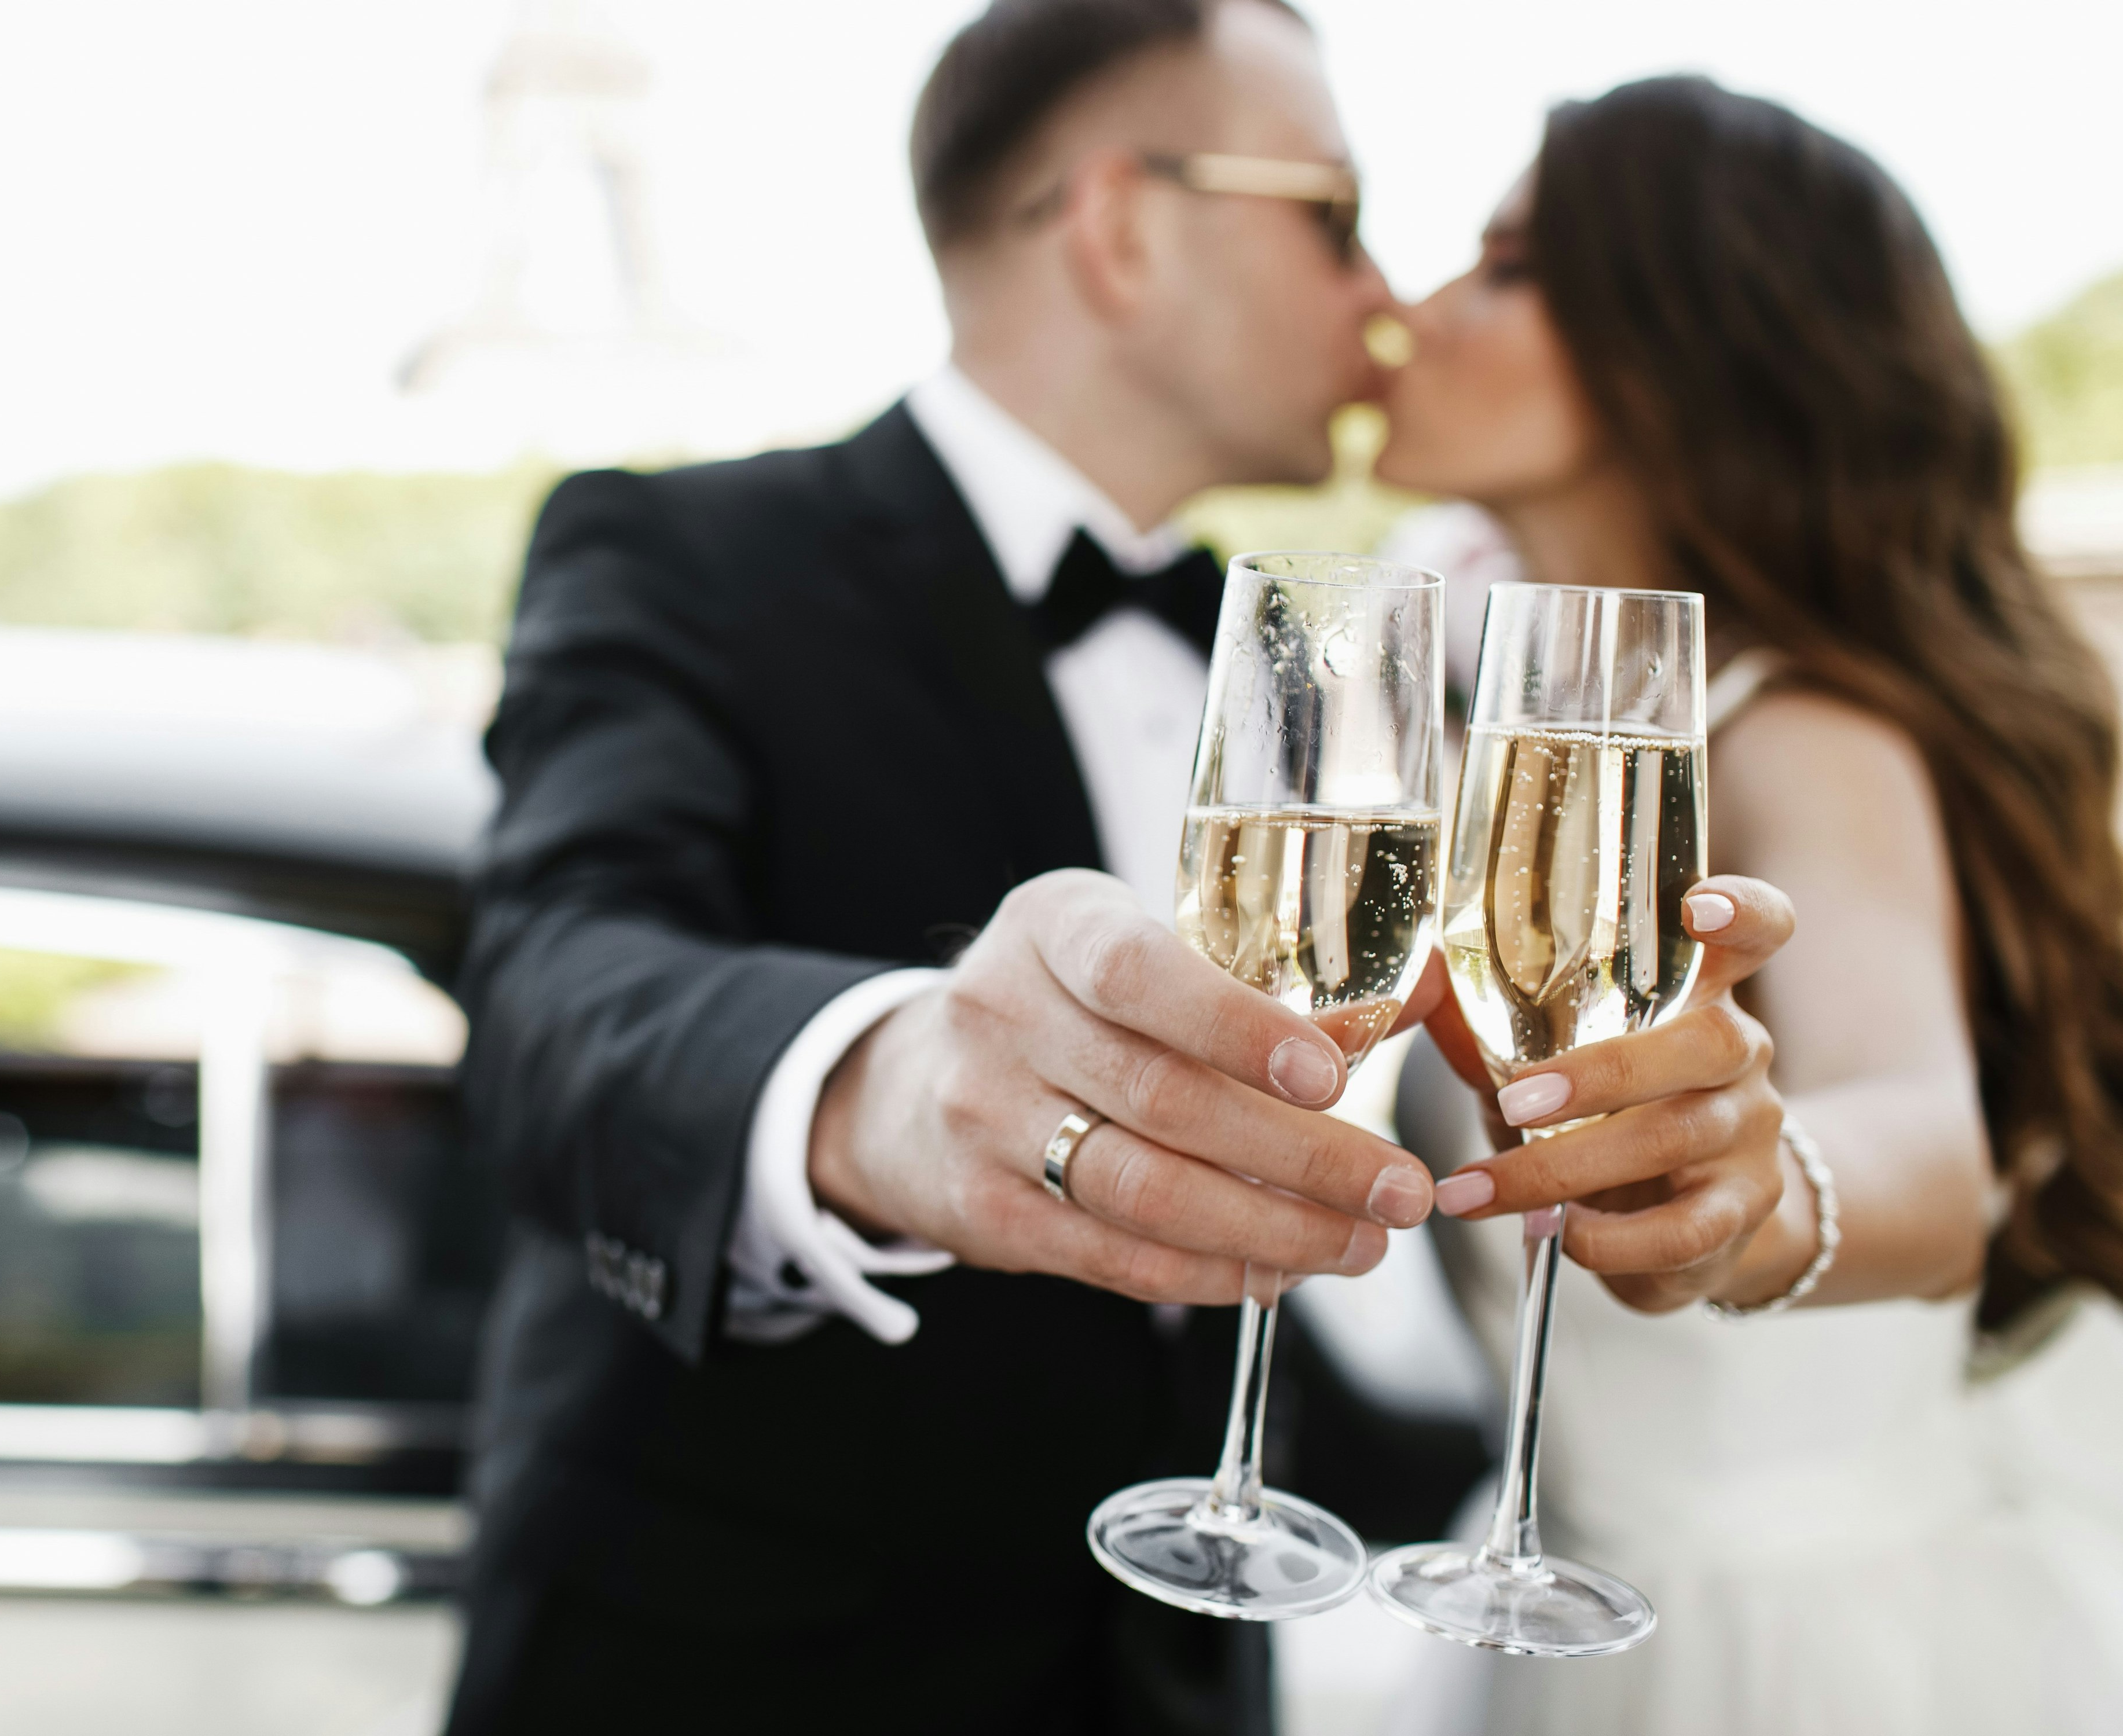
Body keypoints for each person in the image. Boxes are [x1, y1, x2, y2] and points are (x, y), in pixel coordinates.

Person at [443, 12, 1800, 1733]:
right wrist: (893, 1080)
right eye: (1333, 215)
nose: (1386, 295)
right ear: (1122, 226)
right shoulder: (681, 557)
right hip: (735, 1679)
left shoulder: (1335, 652)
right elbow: (556, 991)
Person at [1376, 74, 2123, 1736]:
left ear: (1682, 343)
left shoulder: (1795, 725)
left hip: (1793, 1663)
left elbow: (1922, 1135)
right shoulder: (1488, 723)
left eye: (1507, 268)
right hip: (1560, 1599)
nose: (1412, 311)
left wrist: (1752, 1192)